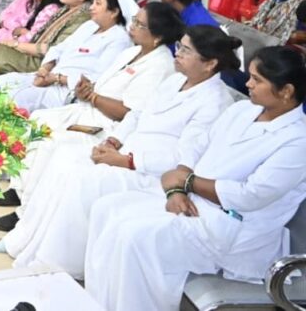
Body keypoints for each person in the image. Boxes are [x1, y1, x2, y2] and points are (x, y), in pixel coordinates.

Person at [85, 46, 306, 311]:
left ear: (286, 91)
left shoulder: (297, 141)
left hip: (233, 227)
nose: (247, 84)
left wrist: (185, 182)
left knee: (134, 237)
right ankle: (100, 304)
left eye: (257, 80)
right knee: (106, 209)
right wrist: (176, 189)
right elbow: (198, 145)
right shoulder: (242, 111)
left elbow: (251, 195)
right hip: (192, 200)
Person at [0, 26, 238, 264]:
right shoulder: (175, 81)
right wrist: (112, 141)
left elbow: (185, 158)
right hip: (125, 150)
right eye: (179, 47)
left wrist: (127, 161)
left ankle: (53, 260)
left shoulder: (215, 102)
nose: (178, 53)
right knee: (63, 158)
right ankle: (26, 237)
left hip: (151, 173)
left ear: (210, 63)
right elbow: (137, 114)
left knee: (83, 179)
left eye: (186, 50)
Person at [0, 3, 184, 211]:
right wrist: (88, 88)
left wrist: (93, 97)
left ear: (157, 37)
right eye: (134, 20)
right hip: (90, 109)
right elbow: (106, 85)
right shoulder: (134, 51)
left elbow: (130, 112)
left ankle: (28, 204)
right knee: (38, 119)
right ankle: (18, 187)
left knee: (50, 140)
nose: (132, 26)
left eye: (139, 24)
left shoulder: (159, 65)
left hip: (109, 126)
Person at [0, 0, 135, 113]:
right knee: (1, 82)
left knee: (18, 98)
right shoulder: (89, 26)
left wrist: (57, 78)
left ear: (114, 12)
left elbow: (97, 78)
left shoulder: (119, 39)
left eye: (98, 4)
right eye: (93, 2)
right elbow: (58, 49)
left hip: (69, 90)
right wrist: (44, 70)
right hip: (50, 76)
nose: (91, 7)